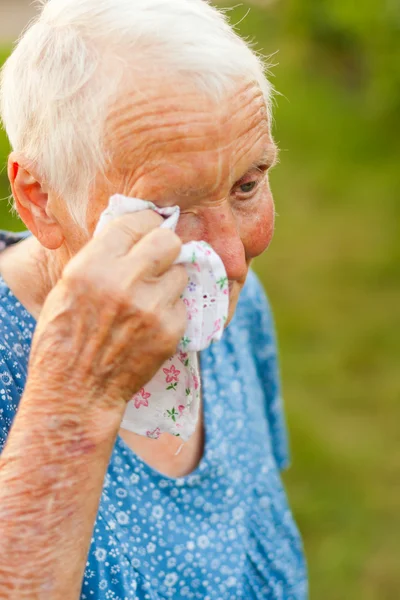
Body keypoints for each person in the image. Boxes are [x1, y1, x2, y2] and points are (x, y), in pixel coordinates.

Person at [0, 0, 307, 598]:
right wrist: (73, 399)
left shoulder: (226, 298)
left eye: (247, 184)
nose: (230, 259)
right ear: (39, 200)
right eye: (169, 211)